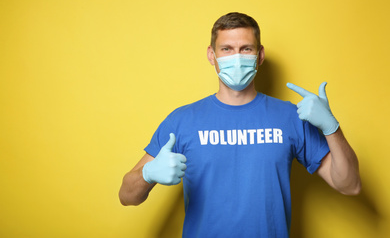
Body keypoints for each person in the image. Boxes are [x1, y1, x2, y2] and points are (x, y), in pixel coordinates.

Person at [119, 12, 361, 237]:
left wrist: (332, 127)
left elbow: (349, 185)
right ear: (211, 55)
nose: (237, 58)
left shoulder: (290, 116)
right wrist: (148, 174)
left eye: (246, 49)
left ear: (260, 55)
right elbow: (127, 196)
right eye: (227, 49)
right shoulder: (183, 120)